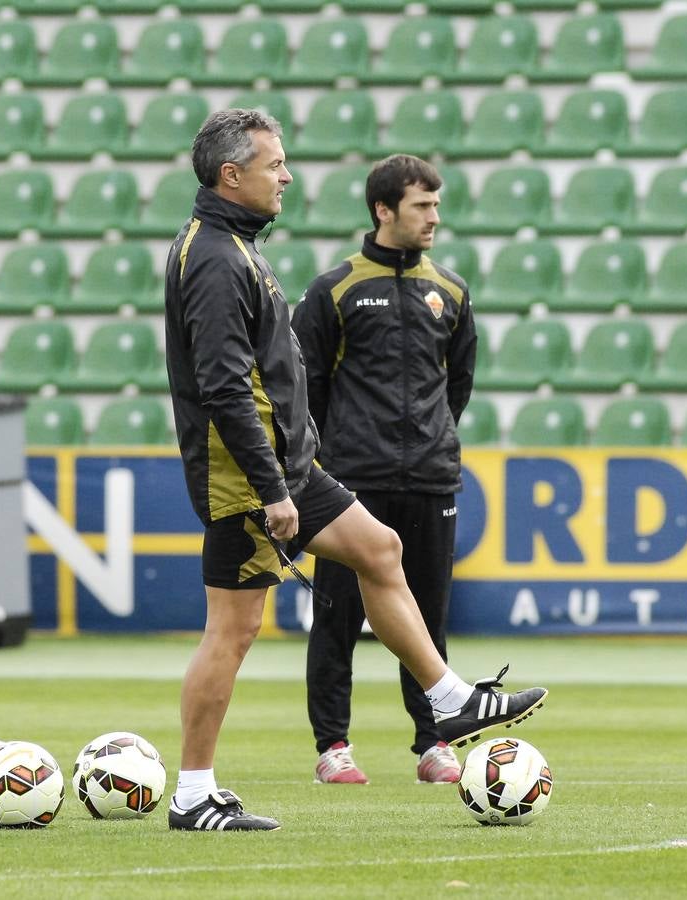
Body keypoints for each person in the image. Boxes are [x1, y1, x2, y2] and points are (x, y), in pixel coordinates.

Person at [162, 110, 545, 831]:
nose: (288, 175)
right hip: (246, 474)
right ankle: (192, 793)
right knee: (233, 631)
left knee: (379, 548)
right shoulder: (215, 256)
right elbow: (221, 384)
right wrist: (273, 488)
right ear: (231, 175)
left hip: (282, 463)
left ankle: (446, 698)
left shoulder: (231, 246)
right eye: (275, 164)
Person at [292, 154, 474, 787]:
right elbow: (303, 388)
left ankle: (434, 742)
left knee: (427, 614)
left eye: (436, 204)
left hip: (431, 477)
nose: (434, 217)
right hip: (351, 483)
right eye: (422, 205)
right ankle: (333, 745)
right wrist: (321, 464)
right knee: (337, 614)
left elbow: (457, 386)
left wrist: (432, 441)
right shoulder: (333, 290)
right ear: (383, 210)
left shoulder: (450, 290)